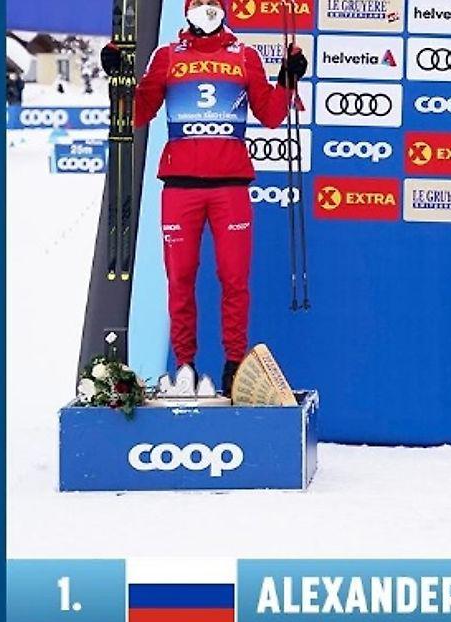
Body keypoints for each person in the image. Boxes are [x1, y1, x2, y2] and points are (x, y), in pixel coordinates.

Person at [100, 0, 307, 393]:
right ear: (187, 9)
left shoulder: (245, 56)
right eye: (200, 3)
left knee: (234, 279)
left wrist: (287, 79)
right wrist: (119, 79)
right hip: (181, 187)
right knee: (180, 279)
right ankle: (185, 366)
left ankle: (234, 365)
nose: (207, 10)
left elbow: (270, 115)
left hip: (230, 186)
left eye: (213, 3)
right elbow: (137, 113)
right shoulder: (167, 56)